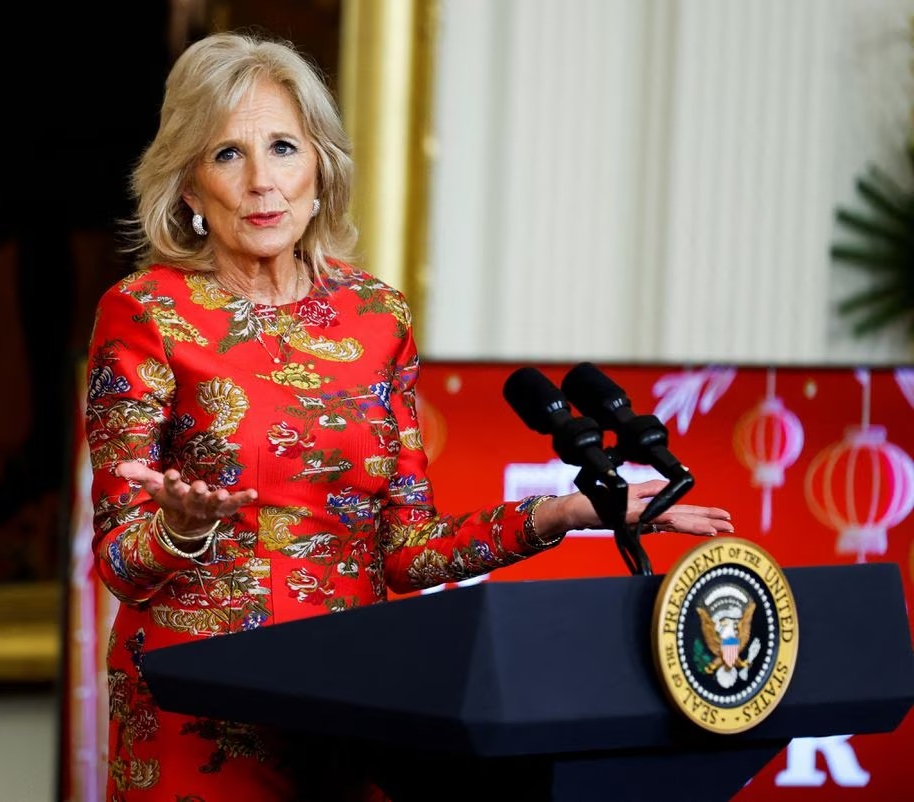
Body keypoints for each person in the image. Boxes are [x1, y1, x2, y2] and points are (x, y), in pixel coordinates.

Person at [84, 30, 735, 802]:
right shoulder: (145, 312)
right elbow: (122, 560)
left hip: (352, 701)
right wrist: (182, 528)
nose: (262, 181)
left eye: (284, 148)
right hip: (199, 714)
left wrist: (561, 513)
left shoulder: (375, 316)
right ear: (188, 187)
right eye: (227, 154)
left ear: (320, 168)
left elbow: (405, 550)